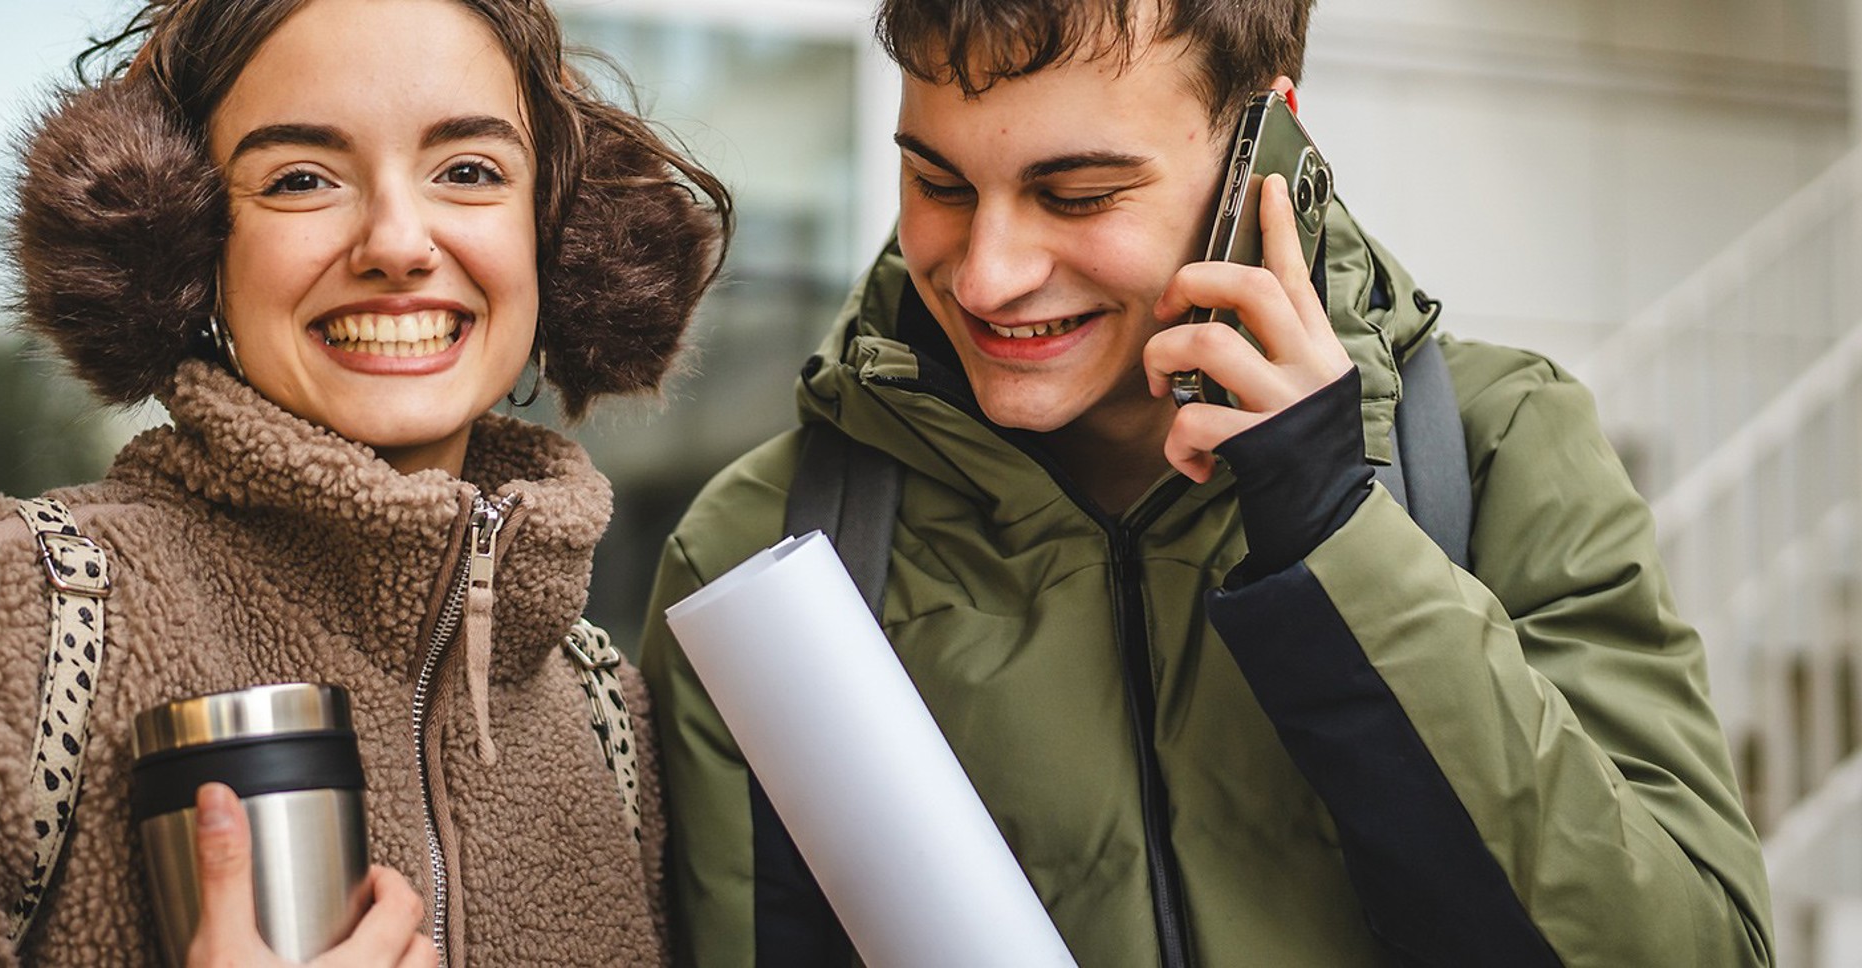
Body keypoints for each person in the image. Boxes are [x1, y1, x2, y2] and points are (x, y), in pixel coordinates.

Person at [639, 1, 1772, 965]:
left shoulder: (1497, 450)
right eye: (937, 181)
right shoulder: (758, 545)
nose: (987, 272)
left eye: (1077, 193)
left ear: (1262, 152)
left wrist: (1337, 539)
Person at [0, 0, 727, 964]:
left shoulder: (603, 708)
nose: (399, 241)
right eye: (302, 177)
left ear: (558, 235)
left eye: (469, 171)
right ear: (184, 246)